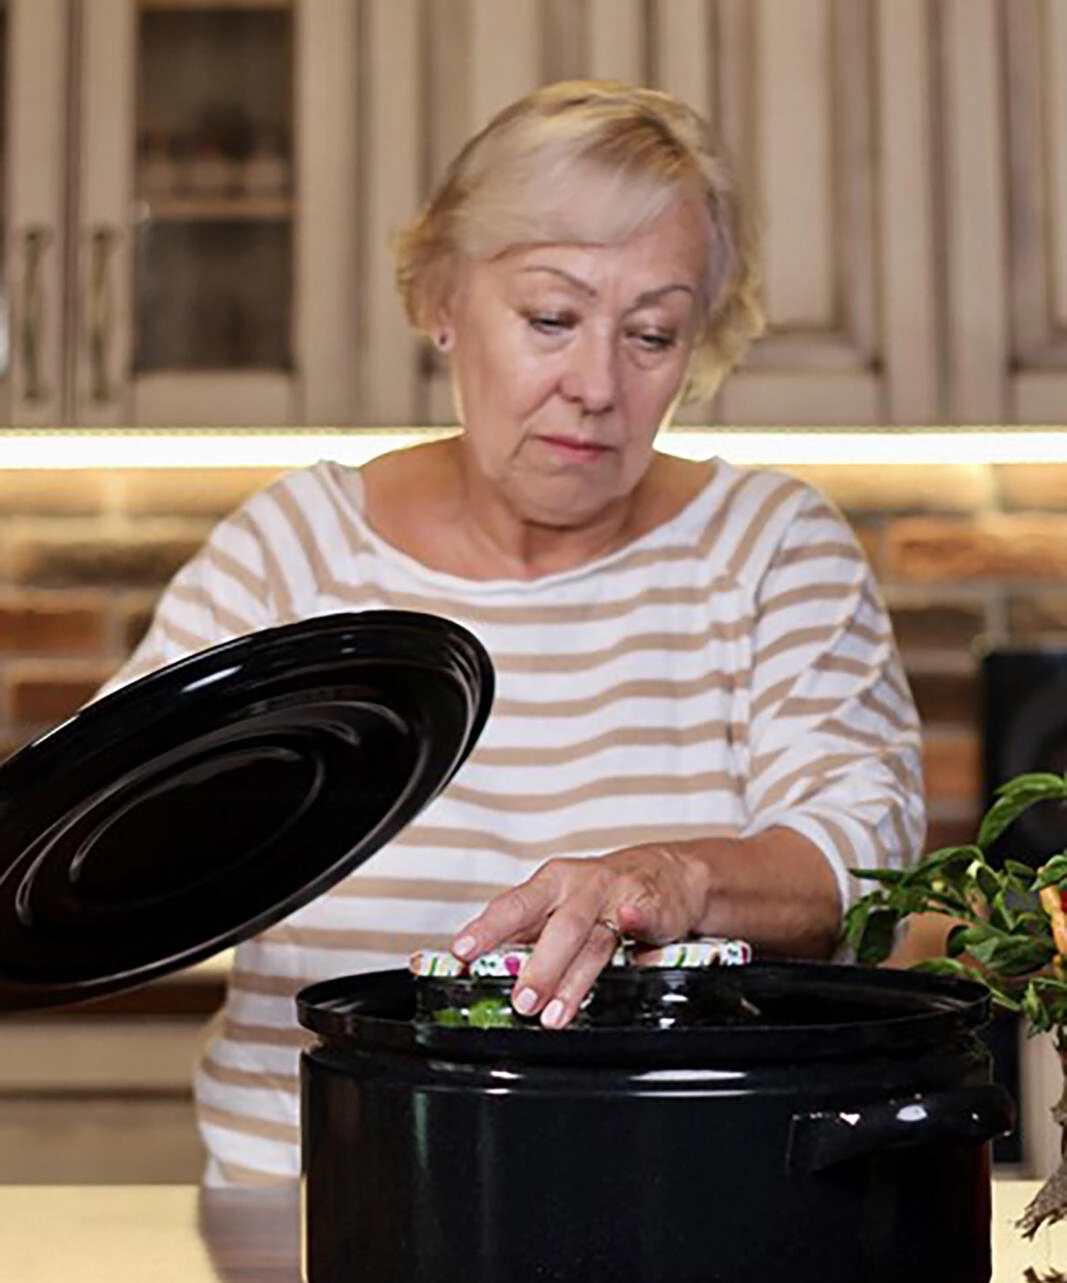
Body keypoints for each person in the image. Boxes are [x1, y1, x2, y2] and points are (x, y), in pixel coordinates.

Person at [102, 80, 926, 1184]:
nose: (595, 385)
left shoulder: (768, 547)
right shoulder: (296, 550)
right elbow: (100, 844)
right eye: (550, 318)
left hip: (670, 1197)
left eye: (651, 334)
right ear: (440, 298)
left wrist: (668, 881)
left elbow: (863, 869)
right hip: (307, 1202)